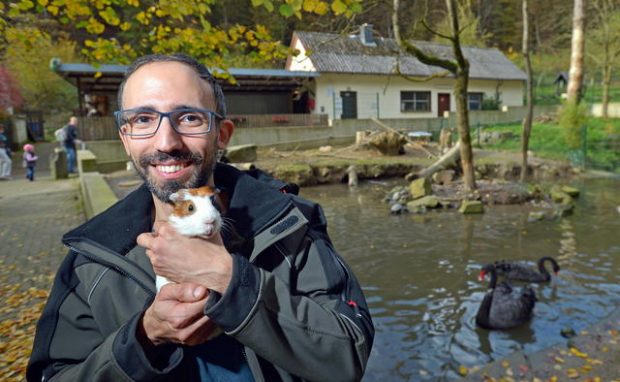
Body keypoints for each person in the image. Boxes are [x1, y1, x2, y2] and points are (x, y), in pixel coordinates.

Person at [27, 54, 374, 382]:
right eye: (143, 119)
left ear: (221, 135)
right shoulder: (91, 261)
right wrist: (144, 338)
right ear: (125, 138)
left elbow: (349, 356)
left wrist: (227, 278)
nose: (167, 141)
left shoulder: (290, 227)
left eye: (189, 118)